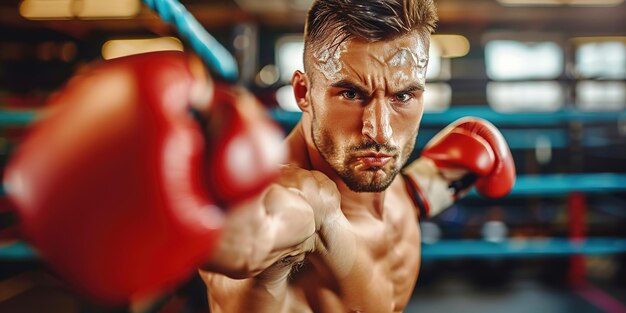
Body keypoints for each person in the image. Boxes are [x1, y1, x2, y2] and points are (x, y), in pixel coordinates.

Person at [198, 0, 514, 312]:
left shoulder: (399, 192)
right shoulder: (298, 201)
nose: (380, 132)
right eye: (351, 94)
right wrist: (202, 211)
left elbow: (414, 195)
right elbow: (248, 240)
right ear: (303, 92)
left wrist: (423, 189)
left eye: (403, 96)